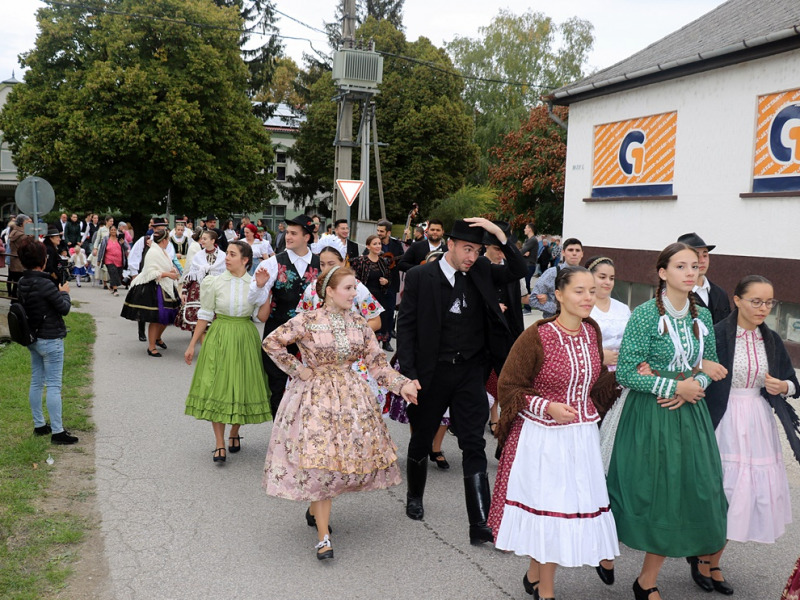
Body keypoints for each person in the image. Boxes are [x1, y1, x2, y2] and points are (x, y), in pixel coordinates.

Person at [263, 266, 419, 560]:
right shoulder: (307, 320)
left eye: (354, 288)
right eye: (348, 288)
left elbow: (377, 364)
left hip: (350, 398)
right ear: (329, 291)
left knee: (336, 461)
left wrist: (403, 385)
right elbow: (271, 341)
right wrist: (298, 369)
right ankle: (324, 537)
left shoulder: (359, 323)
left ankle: (315, 510)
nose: (354, 293)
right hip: (314, 399)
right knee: (321, 462)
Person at [605, 242, 728, 600]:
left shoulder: (701, 316)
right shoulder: (644, 315)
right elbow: (627, 373)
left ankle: (646, 580)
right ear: (663, 273)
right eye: (681, 266)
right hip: (648, 414)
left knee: (690, 492)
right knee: (647, 494)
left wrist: (694, 386)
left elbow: (709, 364)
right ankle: (612, 558)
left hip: (689, 415)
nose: (691, 272)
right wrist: (676, 385)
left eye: (695, 266)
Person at [490, 266, 620, 600]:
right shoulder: (537, 335)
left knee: (567, 510)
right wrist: (547, 407)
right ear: (559, 295)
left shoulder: (592, 331)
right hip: (544, 438)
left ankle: (534, 576)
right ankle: (544, 591)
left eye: (592, 290)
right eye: (579, 291)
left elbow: (590, 388)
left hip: (581, 437)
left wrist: (622, 377)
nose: (588, 297)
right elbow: (509, 386)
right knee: (550, 511)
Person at [397, 218, 526, 544]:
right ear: (450, 244)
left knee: (473, 442)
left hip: (471, 371)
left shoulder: (481, 270)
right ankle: (415, 495)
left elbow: (520, 269)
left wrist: (499, 235)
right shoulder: (419, 277)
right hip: (432, 373)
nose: (472, 256)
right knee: (422, 437)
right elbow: (407, 329)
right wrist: (409, 376)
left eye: (478, 250)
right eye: (467, 248)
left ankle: (479, 522)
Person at [695, 275, 800, 595]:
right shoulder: (717, 335)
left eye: (769, 303)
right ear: (737, 300)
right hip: (723, 420)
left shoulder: (771, 340)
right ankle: (702, 558)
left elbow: (794, 383)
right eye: (756, 301)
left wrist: (783, 387)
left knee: (741, 496)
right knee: (720, 492)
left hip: (756, 424)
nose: (763, 308)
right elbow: (695, 374)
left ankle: (713, 562)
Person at [184, 241, 272, 463]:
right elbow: (204, 314)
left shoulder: (253, 283)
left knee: (239, 388)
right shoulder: (213, 282)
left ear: (245, 260)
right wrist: (192, 343)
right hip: (220, 335)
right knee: (217, 389)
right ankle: (219, 443)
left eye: (232, 254)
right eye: (228, 254)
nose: (227, 258)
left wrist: (264, 289)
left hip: (244, 336)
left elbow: (261, 318)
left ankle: (234, 432)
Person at [248, 215, 320, 417]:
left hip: (311, 337)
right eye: (287, 232)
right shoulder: (273, 263)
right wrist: (260, 286)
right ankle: (280, 438)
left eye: (293, 233)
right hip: (278, 334)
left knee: (310, 386)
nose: (288, 236)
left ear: (307, 237)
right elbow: (252, 297)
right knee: (277, 385)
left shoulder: (320, 263)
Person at [16, 237, 78, 445]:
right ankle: (58, 433)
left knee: (36, 381)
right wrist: (65, 294)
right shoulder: (45, 284)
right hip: (51, 339)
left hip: (33, 338)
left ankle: (39, 425)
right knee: (53, 385)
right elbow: (64, 308)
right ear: (42, 259)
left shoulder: (22, 282)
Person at [483, 225, 527, 436]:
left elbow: (521, 273)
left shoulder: (510, 270)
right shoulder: (477, 266)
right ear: (486, 247)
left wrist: (519, 336)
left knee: (507, 382)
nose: (500, 253)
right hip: (480, 337)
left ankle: (504, 426)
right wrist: (491, 307)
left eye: (503, 249)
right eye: (497, 248)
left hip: (505, 336)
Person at [120, 229, 181, 357]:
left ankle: (157, 338)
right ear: (164, 240)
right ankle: (151, 346)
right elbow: (151, 272)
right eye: (168, 240)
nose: (168, 242)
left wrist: (173, 271)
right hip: (153, 287)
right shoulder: (153, 252)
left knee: (170, 315)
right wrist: (168, 274)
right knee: (156, 318)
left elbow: (166, 265)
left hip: (166, 285)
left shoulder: (163, 251)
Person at [585, 256, 631, 371]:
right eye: (602, 277)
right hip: (592, 371)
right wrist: (597, 356)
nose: (608, 282)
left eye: (611, 278)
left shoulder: (623, 309)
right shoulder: (583, 307)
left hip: (622, 370)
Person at [175, 230, 225, 333]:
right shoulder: (198, 256)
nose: (202, 241)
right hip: (197, 292)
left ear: (212, 241)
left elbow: (226, 276)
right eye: (202, 238)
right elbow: (191, 274)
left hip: (215, 291)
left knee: (213, 322)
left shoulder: (222, 256)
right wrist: (184, 291)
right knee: (197, 320)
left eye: (205, 239)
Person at [677, 232, 731, 324]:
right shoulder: (671, 294)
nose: (702, 261)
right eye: (697, 255)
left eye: (705, 255)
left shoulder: (720, 294)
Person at [351, 235, 392, 349]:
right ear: (368, 246)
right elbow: (354, 279)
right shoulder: (360, 261)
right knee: (365, 328)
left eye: (379, 243)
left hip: (380, 297)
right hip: (365, 298)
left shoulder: (384, 262)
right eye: (375, 244)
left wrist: (386, 282)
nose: (378, 246)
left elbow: (390, 279)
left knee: (378, 329)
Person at [530, 238, 583, 318]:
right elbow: (533, 299)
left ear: (582, 254)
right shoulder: (552, 273)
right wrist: (559, 308)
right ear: (563, 252)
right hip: (554, 323)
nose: (574, 253)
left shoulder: (586, 275)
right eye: (570, 250)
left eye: (577, 250)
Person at [374, 219, 405, 348]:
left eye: (381, 231)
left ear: (388, 232)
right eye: (378, 231)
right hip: (376, 283)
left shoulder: (396, 245)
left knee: (389, 311)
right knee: (375, 312)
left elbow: (402, 260)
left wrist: (393, 264)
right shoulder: (374, 243)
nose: (379, 233)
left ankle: (386, 341)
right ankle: (374, 340)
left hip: (391, 282)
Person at [97, 225, 129, 296]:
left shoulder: (120, 239)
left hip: (119, 261)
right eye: (112, 230)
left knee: (118, 275)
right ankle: (115, 290)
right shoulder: (106, 239)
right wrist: (99, 260)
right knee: (113, 272)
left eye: (114, 230)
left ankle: (112, 285)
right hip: (109, 260)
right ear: (109, 231)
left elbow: (126, 248)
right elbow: (101, 250)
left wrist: (123, 243)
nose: (113, 231)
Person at [7, 214, 32, 298]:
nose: (28, 224)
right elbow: (28, 246)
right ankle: (16, 303)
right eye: (26, 222)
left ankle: (13, 302)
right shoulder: (23, 235)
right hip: (20, 261)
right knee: (19, 284)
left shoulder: (14, 231)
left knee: (16, 283)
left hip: (14, 261)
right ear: (22, 223)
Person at [520, 223, 539, 301]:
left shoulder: (533, 240)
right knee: (525, 284)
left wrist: (523, 253)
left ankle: (528, 306)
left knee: (526, 285)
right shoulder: (528, 240)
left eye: (525, 228)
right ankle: (527, 306)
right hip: (526, 264)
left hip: (529, 265)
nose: (524, 229)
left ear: (530, 229)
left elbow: (522, 251)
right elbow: (524, 252)